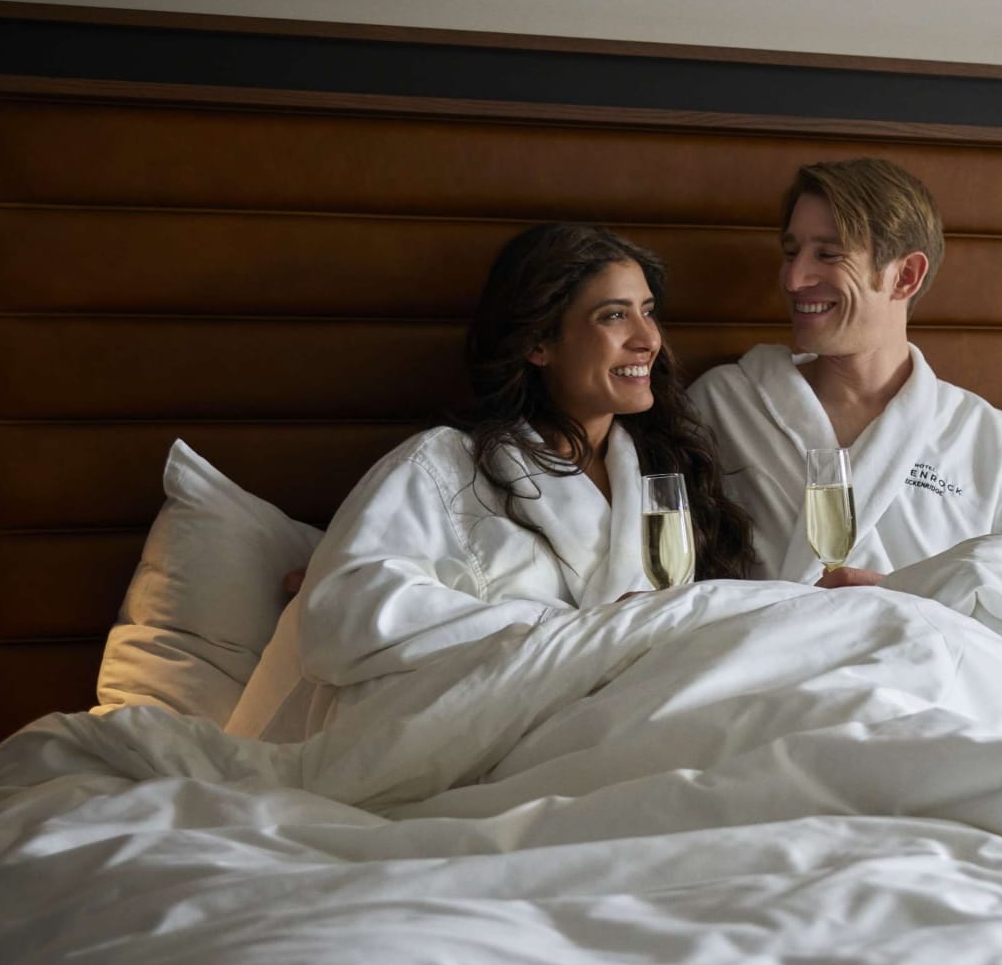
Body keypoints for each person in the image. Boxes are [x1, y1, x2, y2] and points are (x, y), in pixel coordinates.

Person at [293, 222, 756, 688]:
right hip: (527, 720)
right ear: (538, 343)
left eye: (647, 311)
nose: (648, 339)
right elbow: (340, 615)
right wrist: (578, 632)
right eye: (613, 316)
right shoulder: (443, 465)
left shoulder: (666, 468)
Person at [693, 158, 1002, 619]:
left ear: (905, 276)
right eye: (790, 251)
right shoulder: (722, 407)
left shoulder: (997, 446)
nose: (793, 278)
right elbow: (662, 580)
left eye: (828, 254)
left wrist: (920, 602)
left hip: (934, 676)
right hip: (765, 668)